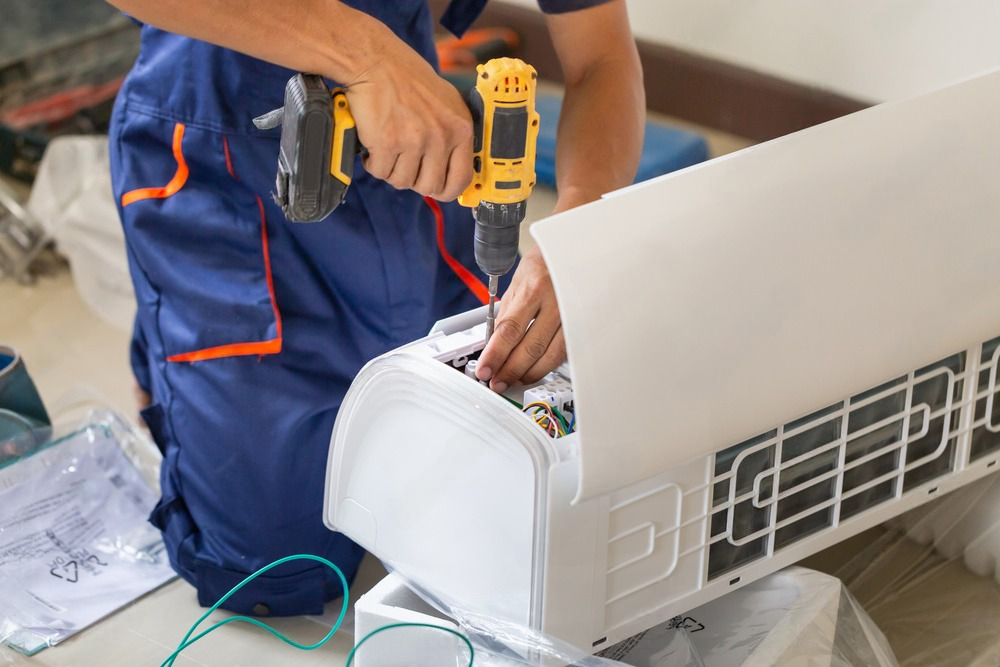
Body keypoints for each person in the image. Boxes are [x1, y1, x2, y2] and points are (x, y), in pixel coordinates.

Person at [106, 0, 644, 616]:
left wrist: (576, 231)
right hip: (222, 153)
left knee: (494, 507)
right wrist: (364, 55)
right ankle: (174, 347)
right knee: (276, 573)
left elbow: (600, 58)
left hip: (404, 156)